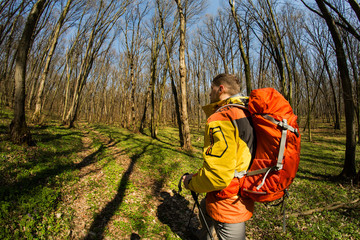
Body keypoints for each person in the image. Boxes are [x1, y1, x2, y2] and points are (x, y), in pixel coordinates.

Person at [182, 73, 255, 240]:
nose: (209, 94)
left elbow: (217, 176)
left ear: (221, 89)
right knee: (205, 208)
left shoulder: (223, 117)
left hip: (229, 199)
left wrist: (190, 182)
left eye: (211, 89)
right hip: (246, 188)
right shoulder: (247, 111)